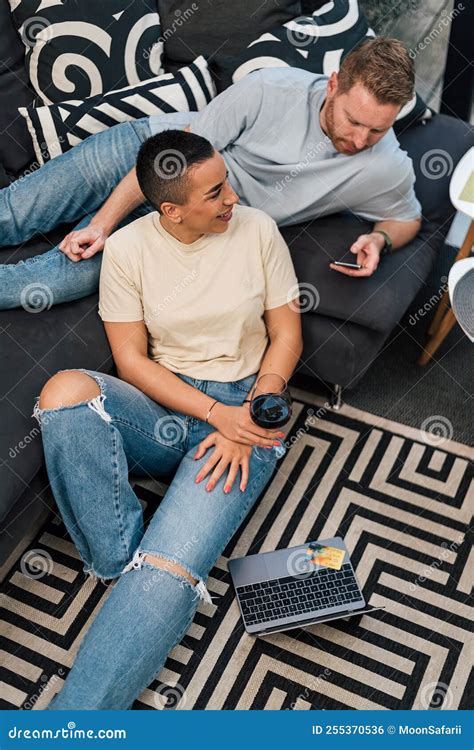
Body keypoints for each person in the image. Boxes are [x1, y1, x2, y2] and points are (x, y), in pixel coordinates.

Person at [34, 129, 303, 709]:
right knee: (63, 392)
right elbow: (131, 360)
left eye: (225, 182)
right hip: (168, 406)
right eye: (213, 193)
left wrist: (249, 416)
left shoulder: (257, 230)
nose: (231, 198)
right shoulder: (128, 250)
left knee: (167, 568)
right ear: (170, 208)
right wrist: (213, 414)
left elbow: (285, 334)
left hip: (248, 402)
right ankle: (117, 559)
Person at [1, 38, 421, 310]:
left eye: (377, 128)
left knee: (63, 280)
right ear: (333, 86)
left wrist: (379, 238)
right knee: (13, 215)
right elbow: (175, 159)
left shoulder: (386, 165)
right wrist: (102, 224)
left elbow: (407, 218)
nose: (361, 137)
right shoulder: (269, 90)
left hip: (190, 222)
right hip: (154, 149)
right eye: (353, 120)